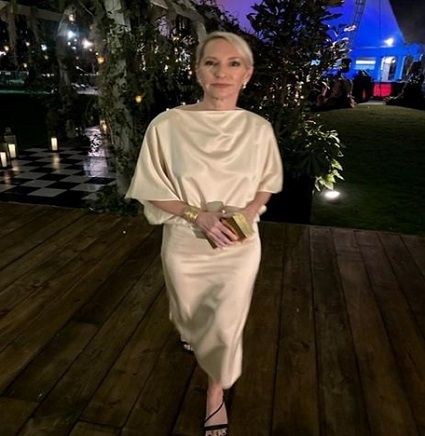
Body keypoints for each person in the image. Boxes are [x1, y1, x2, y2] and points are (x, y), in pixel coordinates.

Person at [125, 31, 283, 436]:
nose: (221, 72)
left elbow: (267, 181)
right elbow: (150, 188)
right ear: (198, 71)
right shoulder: (167, 125)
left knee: (226, 323)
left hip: (239, 245)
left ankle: (215, 393)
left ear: (247, 74)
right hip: (185, 241)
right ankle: (190, 329)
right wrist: (199, 216)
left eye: (233, 64)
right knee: (188, 311)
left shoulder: (258, 129)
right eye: (211, 62)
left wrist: (249, 211)